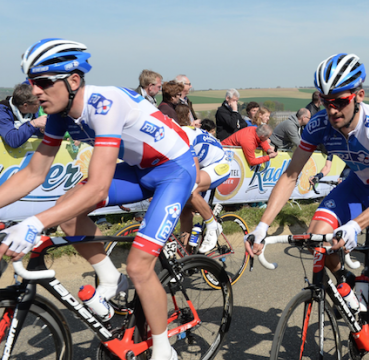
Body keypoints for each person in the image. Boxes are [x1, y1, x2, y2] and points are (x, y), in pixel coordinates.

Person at [0, 38, 194, 360]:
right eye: (32, 82)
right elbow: (33, 173)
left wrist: (33, 223)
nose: (35, 91)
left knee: (139, 266)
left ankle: (164, 350)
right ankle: (109, 277)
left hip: (175, 170)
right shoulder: (60, 114)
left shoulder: (104, 104)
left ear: (73, 81)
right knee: (66, 209)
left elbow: (99, 189)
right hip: (140, 170)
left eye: (44, 82)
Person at [245, 53, 369, 359]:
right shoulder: (319, 124)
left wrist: (355, 225)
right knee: (318, 240)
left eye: (340, 101)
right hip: (359, 183)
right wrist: (262, 225)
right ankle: (348, 289)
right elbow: (291, 175)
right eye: (325, 101)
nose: (332, 109)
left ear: (359, 96)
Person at [174, 104, 230, 253]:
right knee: (185, 213)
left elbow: (196, 175)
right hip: (205, 164)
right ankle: (187, 258)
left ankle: (213, 226)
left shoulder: (183, 135)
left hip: (219, 164)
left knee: (191, 190)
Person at [0, 83, 47, 148]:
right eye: (37, 103)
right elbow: (12, 141)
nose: (40, 105)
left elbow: (33, 133)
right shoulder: (2, 112)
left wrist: (42, 131)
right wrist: (34, 123)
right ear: (25, 106)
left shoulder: (32, 112)